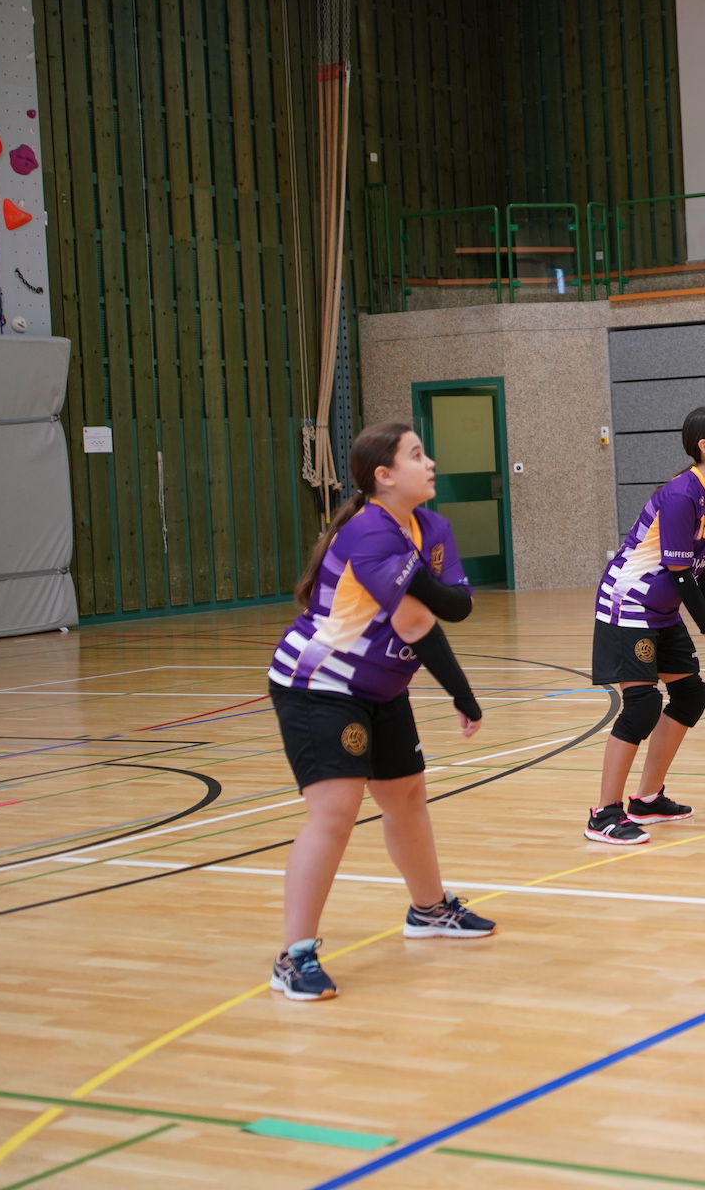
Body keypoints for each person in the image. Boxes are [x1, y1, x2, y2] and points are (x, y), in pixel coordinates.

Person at [267, 422, 495, 1001]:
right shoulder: (370, 533)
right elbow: (420, 619)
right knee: (335, 812)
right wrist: (462, 693)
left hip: (383, 686)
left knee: (407, 796)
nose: (431, 463)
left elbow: (458, 604)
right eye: (417, 455)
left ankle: (429, 910)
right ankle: (294, 958)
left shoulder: (431, 527)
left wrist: (459, 688)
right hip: (321, 683)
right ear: (384, 476)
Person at [585, 405, 705, 846]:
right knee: (640, 705)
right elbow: (679, 572)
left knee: (691, 693)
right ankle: (604, 812)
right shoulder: (680, 496)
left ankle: (647, 798)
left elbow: (701, 567)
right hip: (628, 605)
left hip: (663, 609)